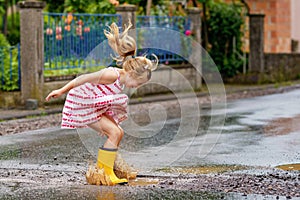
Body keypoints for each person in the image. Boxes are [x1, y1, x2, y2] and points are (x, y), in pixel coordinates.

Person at [45, 21, 158, 185]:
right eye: (138, 83)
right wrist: (61, 91)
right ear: (132, 74)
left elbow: (104, 99)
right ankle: (104, 173)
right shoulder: (111, 75)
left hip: (93, 105)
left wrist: (107, 120)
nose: (136, 87)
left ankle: (112, 168)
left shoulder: (121, 80)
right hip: (83, 104)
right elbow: (82, 78)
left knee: (118, 132)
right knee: (114, 133)